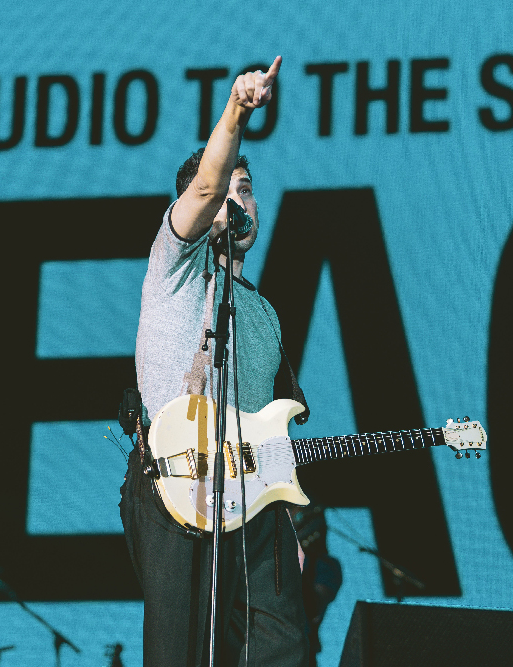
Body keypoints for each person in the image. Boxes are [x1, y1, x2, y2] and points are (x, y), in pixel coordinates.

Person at [119, 56, 311, 667]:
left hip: (253, 498)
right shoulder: (173, 266)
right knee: (182, 653)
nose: (236, 197)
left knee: (283, 648)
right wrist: (238, 110)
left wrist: (290, 522)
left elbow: (271, 425)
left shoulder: (266, 315)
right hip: (173, 484)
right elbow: (206, 186)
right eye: (227, 187)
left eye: (247, 188)